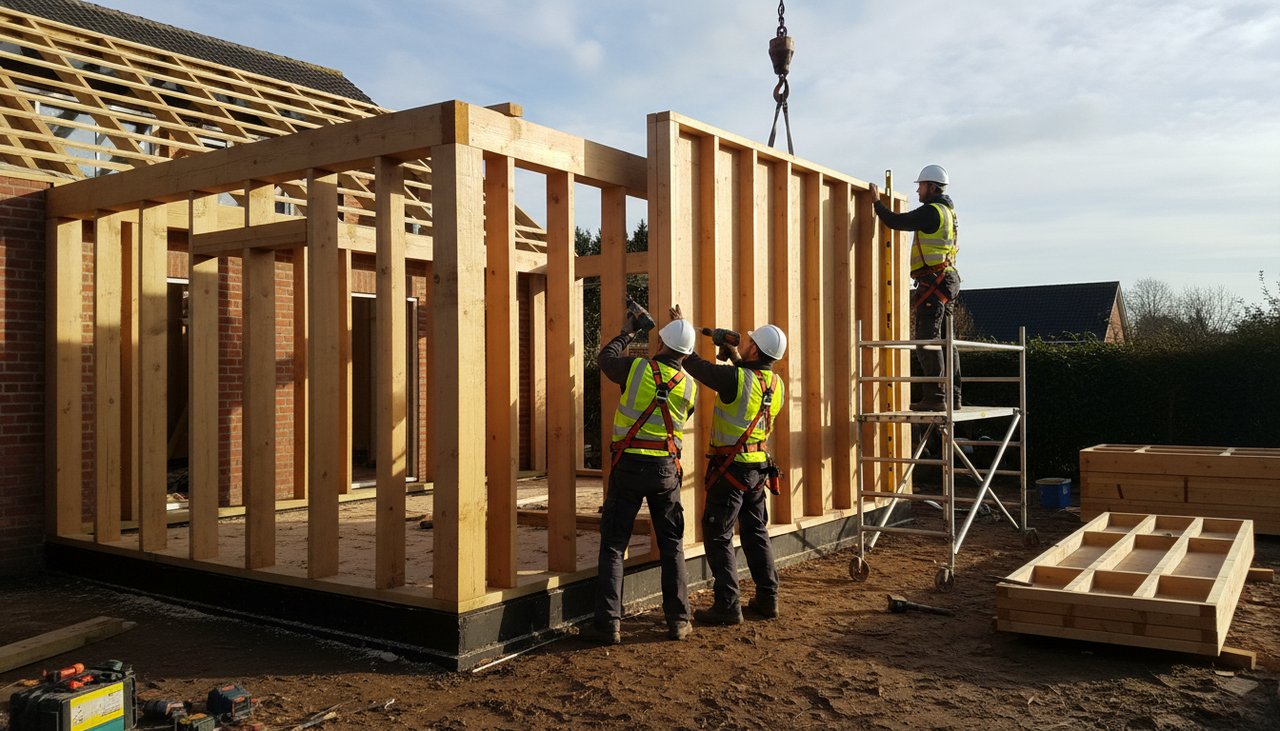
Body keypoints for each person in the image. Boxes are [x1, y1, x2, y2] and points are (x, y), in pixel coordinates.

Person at [583, 306, 699, 644]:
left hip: (629, 468)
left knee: (614, 545)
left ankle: (608, 624)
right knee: (672, 545)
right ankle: (678, 620)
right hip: (665, 471)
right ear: (686, 354)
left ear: (660, 343)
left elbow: (605, 359)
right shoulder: (689, 387)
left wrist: (629, 331)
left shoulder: (636, 369)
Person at [674, 307, 787, 625]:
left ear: (756, 350)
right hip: (757, 470)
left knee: (718, 534)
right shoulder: (775, 384)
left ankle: (727, 605)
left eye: (750, 342)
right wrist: (734, 355)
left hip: (731, 470)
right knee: (756, 533)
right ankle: (768, 598)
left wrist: (680, 331)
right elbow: (749, 380)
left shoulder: (734, 378)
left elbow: (695, 365)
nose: (746, 343)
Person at [869, 164, 961, 411]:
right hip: (946, 279)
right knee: (946, 340)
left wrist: (876, 203)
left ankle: (936, 398)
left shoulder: (931, 211)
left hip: (935, 280)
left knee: (926, 340)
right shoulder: (948, 211)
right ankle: (953, 397)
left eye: (920, 186)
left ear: (932, 187)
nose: (918, 191)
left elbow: (896, 221)